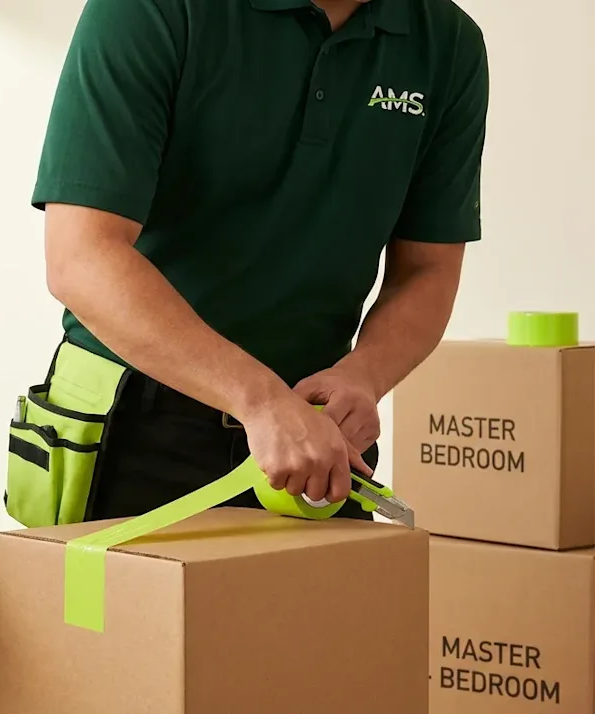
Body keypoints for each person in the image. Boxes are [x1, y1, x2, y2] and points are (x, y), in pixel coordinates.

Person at [34, 0, 488, 520]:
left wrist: (363, 376)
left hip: (317, 441)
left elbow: (428, 268)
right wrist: (258, 399)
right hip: (132, 419)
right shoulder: (151, 9)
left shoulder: (447, 42)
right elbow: (81, 255)